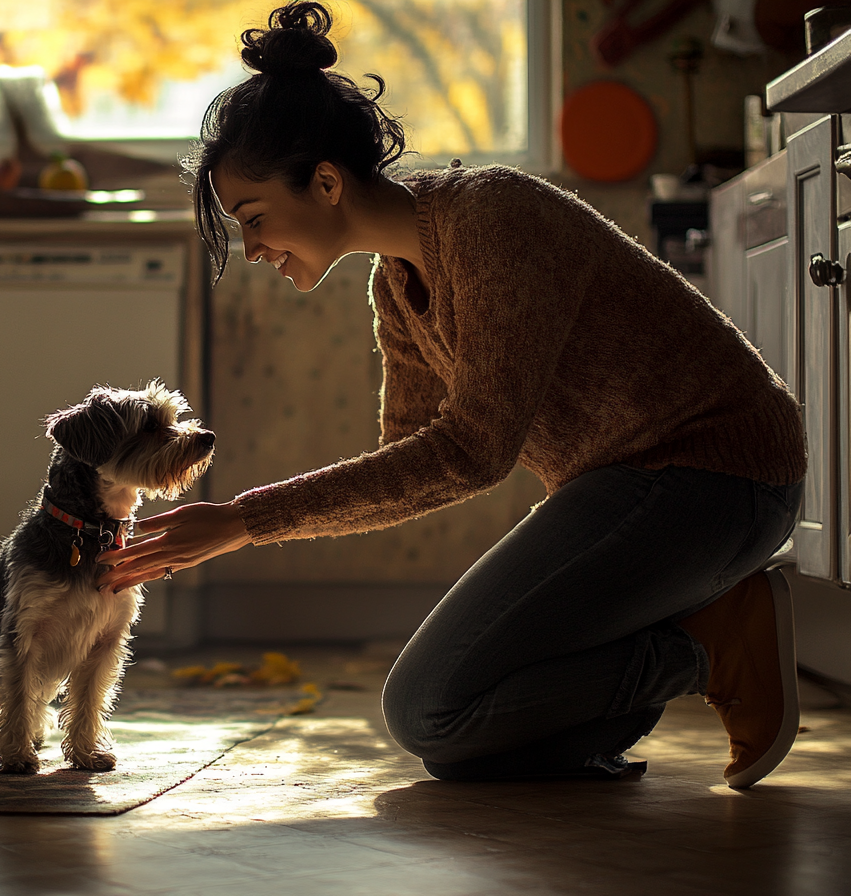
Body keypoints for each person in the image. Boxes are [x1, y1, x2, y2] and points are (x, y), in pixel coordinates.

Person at [96, 1, 806, 787]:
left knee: (425, 710)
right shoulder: (395, 288)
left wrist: (243, 522)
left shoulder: (492, 217)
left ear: (326, 182)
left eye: (256, 219)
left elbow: (472, 453)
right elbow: (410, 465)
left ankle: (706, 650)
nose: (256, 248)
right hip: (625, 491)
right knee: (461, 740)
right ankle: (656, 655)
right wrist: (244, 524)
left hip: (715, 477)